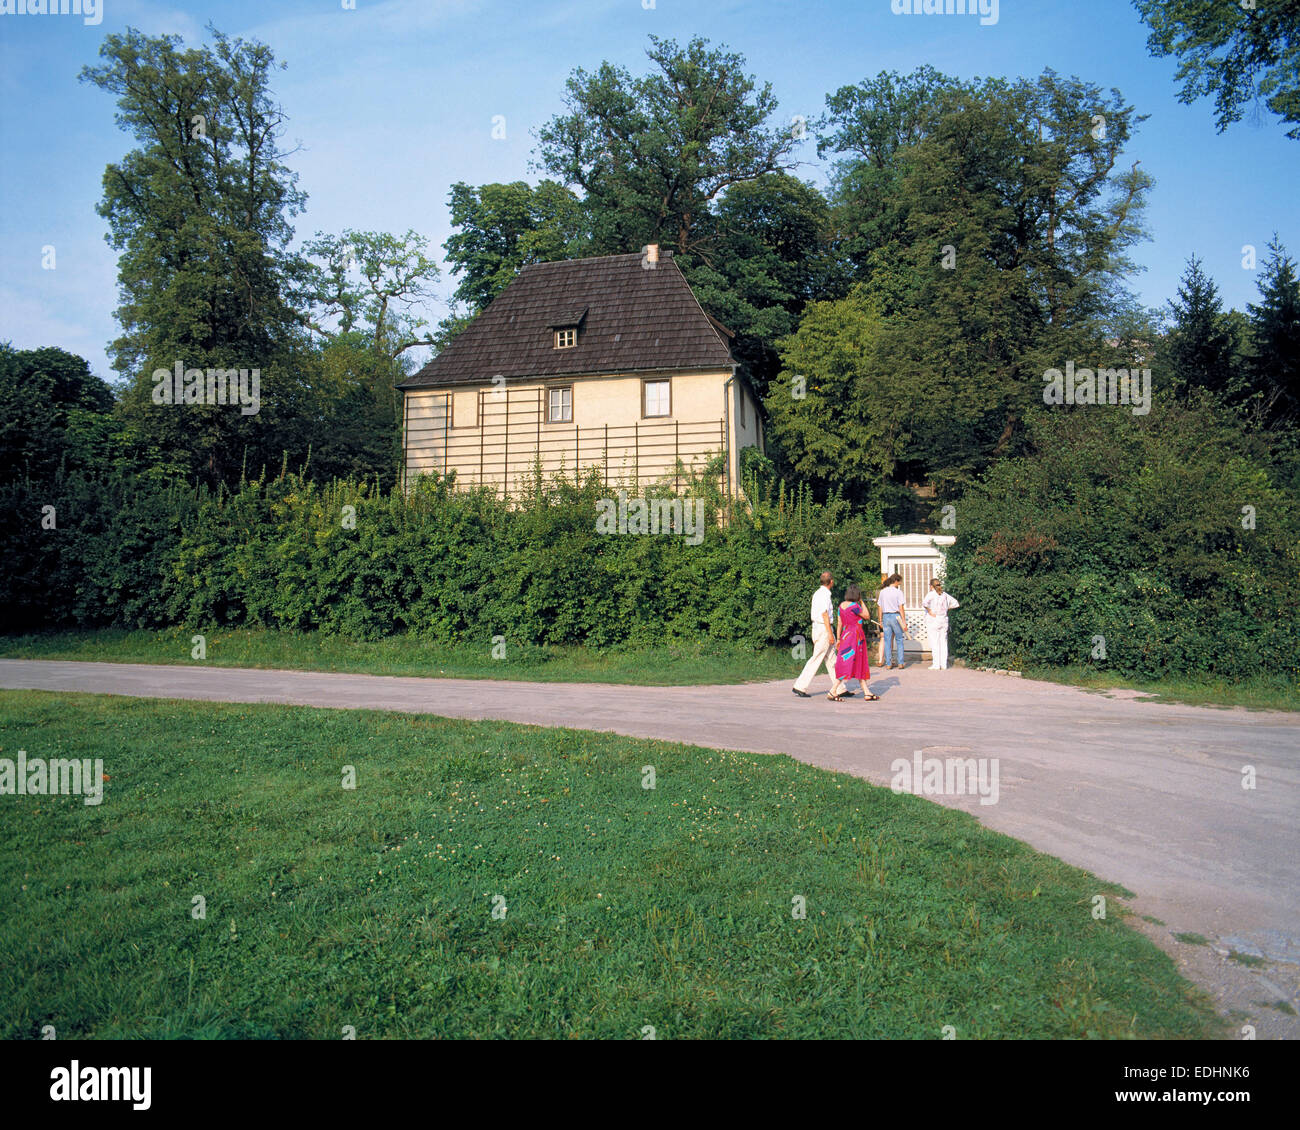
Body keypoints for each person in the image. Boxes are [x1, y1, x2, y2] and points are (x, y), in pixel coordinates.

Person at [830, 583, 878, 702]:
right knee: (856, 662)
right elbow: (866, 615)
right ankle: (833, 690)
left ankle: (866, 691)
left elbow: (839, 623)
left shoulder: (841, 606)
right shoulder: (855, 606)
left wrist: (839, 638)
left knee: (850, 662)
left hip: (846, 636)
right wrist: (862, 602)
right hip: (856, 637)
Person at [793, 571, 838, 698]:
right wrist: (830, 634)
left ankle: (839, 687)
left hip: (818, 627)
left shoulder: (817, 593)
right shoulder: (825, 595)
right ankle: (800, 685)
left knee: (831, 658)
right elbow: (824, 614)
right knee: (817, 657)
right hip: (824, 628)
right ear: (831, 582)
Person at [922, 578, 960, 669]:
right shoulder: (945, 595)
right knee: (943, 642)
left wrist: (930, 611)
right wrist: (947, 609)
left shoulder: (931, 594)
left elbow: (924, 603)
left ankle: (936, 664)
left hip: (934, 619)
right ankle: (943, 664)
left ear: (931, 586)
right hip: (944, 619)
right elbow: (956, 603)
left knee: (935, 642)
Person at [877, 573, 909, 669]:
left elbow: (880, 607)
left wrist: (880, 620)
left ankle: (888, 663)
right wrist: (904, 621)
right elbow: (901, 608)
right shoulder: (898, 592)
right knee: (899, 640)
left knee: (887, 640)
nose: (899, 584)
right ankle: (900, 662)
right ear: (896, 581)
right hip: (896, 616)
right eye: (899, 582)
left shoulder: (883, 592)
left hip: (886, 616)